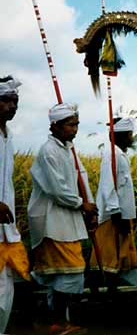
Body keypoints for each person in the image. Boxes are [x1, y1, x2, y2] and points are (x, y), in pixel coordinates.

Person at [28, 103, 97, 335]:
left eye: (76, 124)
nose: (75, 129)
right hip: (53, 221)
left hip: (66, 220)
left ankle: (52, 321)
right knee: (71, 272)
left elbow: (79, 179)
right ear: (55, 126)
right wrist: (81, 204)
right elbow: (57, 190)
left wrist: (88, 207)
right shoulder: (49, 151)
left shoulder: (68, 149)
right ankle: (56, 322)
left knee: (62, 274)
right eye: (70, 125)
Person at [90, 117, 137, 295]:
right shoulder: (112, 155)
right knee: (109, 258)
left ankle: (111, 292)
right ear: (120, 135)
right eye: (129, 134)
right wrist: (115, 212)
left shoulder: (118, 154)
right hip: (114, 217)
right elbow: (108, 184)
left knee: (119, 257)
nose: (132, 138)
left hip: (122, 215)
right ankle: (99, 293)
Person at [0, 76, 30, 334]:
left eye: (15, 101)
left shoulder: (8, 136)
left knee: (5, 288)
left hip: (5, 231)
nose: (12, 106)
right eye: (6, 100)